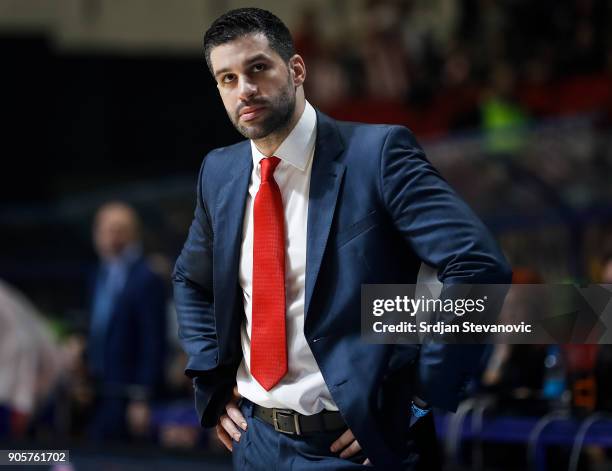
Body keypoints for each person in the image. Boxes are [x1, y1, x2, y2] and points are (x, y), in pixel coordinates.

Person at [173, 8, 512, 470]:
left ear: (295, 69)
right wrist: (212, 383)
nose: (245, 90)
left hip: (359, 448)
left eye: (257, 68)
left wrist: (418, 396)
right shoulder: (219, 172)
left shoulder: (378, 154)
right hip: (256, 444)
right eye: (227, 78)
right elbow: (189, 280)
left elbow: (479, 268)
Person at [87, 202, 167, 440]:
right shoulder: (97, 274)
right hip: (99, 386)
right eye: (107, 230)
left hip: (129, 391)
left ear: (134, 234)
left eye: (120, 230)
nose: (113, 237)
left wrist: (142, 396)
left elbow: (153, 340)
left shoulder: (146, 277)